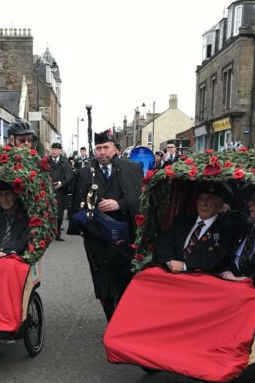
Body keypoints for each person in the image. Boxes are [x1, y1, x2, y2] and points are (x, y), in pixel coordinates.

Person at [69, 129, 142, 320]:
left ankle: (126, 319)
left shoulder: (131, 168)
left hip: (125, 237)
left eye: (106, 147)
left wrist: (120, 204)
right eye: (98, 148)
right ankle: (112, 321)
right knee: (103, 281)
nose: (102, 152)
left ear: (115, 149)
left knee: (125, 278)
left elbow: (140, 199)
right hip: (97, 238)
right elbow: (77, 204)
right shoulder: (85, 173)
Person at [155, 183, 237, 274]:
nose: (204, 204)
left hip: (199, 278)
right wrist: (170, 263)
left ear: (220, 205)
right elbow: (163, 242)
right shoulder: (182, 220)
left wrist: (185, 266)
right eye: (201, 199)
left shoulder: (227, 228)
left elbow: (219, 258)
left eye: (210, 199)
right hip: (170, 272)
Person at [48, 142, 74, 241]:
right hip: (48, 190)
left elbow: (69, 176)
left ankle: (57, 233)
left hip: (60, 191)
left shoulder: (65, 162)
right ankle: (49, 232)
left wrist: (61, 183)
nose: (54, 151)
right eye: (52, 149)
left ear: (60, 151)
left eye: (56, 149)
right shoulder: (46, 161)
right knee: (49, 213)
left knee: (59, 213)